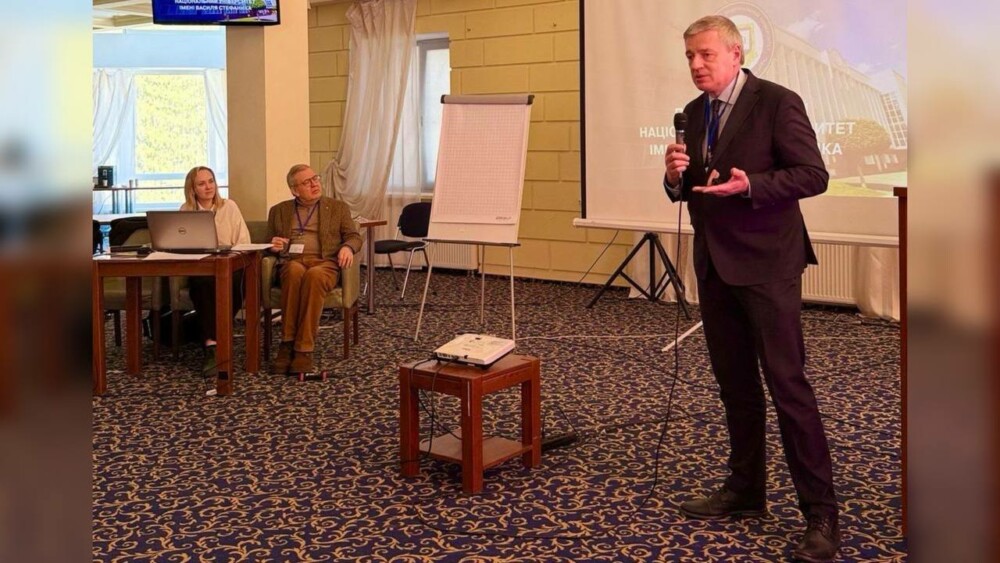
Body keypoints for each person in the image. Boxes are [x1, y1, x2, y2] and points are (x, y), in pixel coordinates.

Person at [663, 15, 839, 563]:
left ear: (736, 53)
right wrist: (674, 178)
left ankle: (821, 515)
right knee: (735, 386)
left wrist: (752, 186)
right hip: (715, 266)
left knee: (788, 388)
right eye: (690, 56)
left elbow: (813, 174)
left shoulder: (777, 102)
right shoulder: (694, 113)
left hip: (767, 266)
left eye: (706, 55)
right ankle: (746, 489)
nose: (696, 65)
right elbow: (695, 187)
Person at [267, 164, 361, 374]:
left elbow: (354, 236)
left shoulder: (337, 208)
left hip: (324, 262)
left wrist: (347, 247)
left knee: (314, 276)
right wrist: (273, 245)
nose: (314, 184)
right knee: (293, 272)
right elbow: (268, 242)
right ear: (294, 190)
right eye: (306, 182)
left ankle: (303, 349)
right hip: (293, 261)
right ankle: (287, 343)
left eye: (315, 178)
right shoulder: (279, 211)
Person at [179, 165, 251, 371]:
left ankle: (213, 337)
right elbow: (181, 244)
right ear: (192, 189)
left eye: (211, 181)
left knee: (235, 282)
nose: (208, 187)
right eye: (202, 184)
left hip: (231, 262)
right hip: (201, 265)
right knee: (202, 284)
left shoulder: (229, 206)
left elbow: (244, 241)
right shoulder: (186, 210)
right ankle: (213, 345)